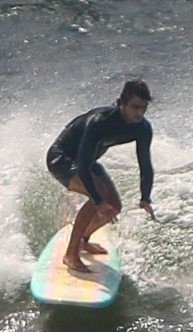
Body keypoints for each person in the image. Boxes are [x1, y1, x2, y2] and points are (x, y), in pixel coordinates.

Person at [46, 79, 157, 273]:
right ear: (122, 103)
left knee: (114, 206)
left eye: (144, 108)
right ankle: (71, 255)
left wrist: (145, 197)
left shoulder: (142, 128)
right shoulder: (99, 122)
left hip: (87, 161)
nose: (139, 113)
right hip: (62, 159)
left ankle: (83, 240)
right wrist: (98, 201)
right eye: (135, 107)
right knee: (100, 196)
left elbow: (145, 165)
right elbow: (81, 165)